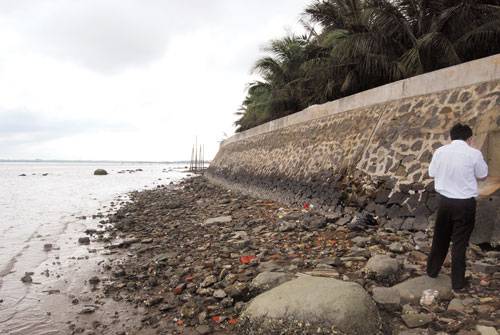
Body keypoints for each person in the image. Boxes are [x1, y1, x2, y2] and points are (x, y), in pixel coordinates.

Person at [426, 123, 488, 292]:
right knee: (459, 243)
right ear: (470, 139)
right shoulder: (474, 153)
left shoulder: (440, 151)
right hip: (465, 204)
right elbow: (482, 175)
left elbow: (431, 173)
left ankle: (432, 271)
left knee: (440, 238)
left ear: (451, 137)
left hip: (445, 202)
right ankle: (458, 283)